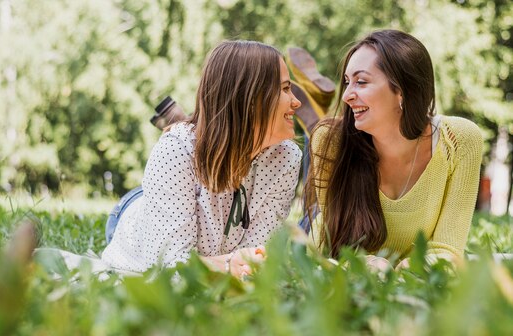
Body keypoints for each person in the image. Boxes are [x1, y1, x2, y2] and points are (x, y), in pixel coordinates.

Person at [39, 40, 303, 278]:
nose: (296, 102)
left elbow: (255, 256)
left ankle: (188, 123)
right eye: (285, 89)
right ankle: (186, 125)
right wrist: (224, 265)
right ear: (251, 99)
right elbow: (167, 267)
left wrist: (243, 264)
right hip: (137, 225)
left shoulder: (288, 158)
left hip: (201, 226)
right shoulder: (176, 149)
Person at [304, 29, 482, 271]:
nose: (346, 95)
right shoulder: (329, 141)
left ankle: (315, 102)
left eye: (361, 82)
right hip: (330, 261)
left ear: (401, 90)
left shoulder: (460, 141)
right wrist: (360, 264)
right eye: (347, 82)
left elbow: (448, 252)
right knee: (320, 133)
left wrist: (407, 269)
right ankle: (314, 106)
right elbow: (327, 245)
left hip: (405, 278)